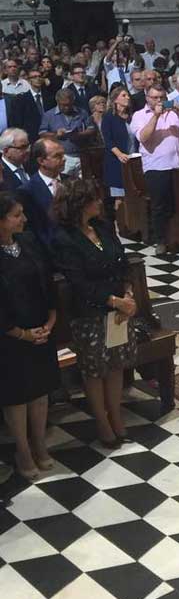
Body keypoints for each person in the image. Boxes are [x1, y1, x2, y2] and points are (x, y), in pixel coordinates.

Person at [52, 179, 138, 447]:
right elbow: (78, 283)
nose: (100, 203)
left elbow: (122, 261)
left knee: (114, 365)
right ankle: (102, 421)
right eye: (94, 199)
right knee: (95, 370)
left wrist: (128, 294)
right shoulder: (64, 238)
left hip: (117, 309)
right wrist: (114, 301)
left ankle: (116, 415)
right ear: (80, 204)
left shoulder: (102, 226)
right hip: (89, 313)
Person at [0, 191, 58, 479]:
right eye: (16, 215)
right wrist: (22, 334)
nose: (24, 218)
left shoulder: (28, 241)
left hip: (40, 328)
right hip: (9, 338)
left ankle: (40, 444)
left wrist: (51, 318)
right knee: (18, 397)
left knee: (40, 392)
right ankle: (22, 451)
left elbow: (46, 279)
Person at [131, 83, 179, 255]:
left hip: (178, 166)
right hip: (156, 168)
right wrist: (156, 117)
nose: (159, 101)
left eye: (162, 98)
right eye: (155, 98)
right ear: (147, 98)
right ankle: (161, 240)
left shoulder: (174, 114)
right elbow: (143, 137)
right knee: (160, 206)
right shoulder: (139, 115)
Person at [100, 86, 135, 208]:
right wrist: (120, 154)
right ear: (115, 99)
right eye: (124, 96)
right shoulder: (109, 117)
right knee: (120, 197)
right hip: (117, 160)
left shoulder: (132, 116)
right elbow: (108, 140)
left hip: (133, 158)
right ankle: (120, 224)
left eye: (128, 95)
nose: (128, 98)